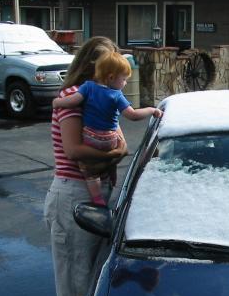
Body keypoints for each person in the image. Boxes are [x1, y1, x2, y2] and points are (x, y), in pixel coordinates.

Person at [43, 37, 130, 296]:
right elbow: (75, 151)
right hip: (73, 194)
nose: (111, 74)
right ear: (90, 66)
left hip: (97, 190)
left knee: (93, 280)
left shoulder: (104, 97)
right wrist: (114, 154)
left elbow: (121, 144)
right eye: (105, 66)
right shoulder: (72, 98)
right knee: (75, 287)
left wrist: (114, 153)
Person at [52, 51, 163, 205]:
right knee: (109, 155)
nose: (125, 83)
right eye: (124, 79)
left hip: (90, 137)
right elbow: (133, 115)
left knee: (90, 172)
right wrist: (152, 110)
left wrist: (57, 103)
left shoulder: (88, 87)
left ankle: (97, 198)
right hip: (109, 140)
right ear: (111, 77)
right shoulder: (117, 95)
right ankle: (109, 177)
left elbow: (72, 101)